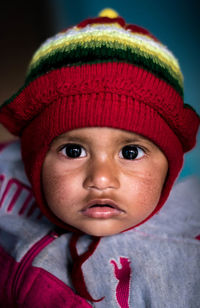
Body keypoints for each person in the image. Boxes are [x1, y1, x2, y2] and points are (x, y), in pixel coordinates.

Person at [0, 8, 199, 308]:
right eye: (73, 151)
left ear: (169, 168)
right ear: (34, 162)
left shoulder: (187, 264)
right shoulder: (6, 185)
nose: (101, 179)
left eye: (130, 153)